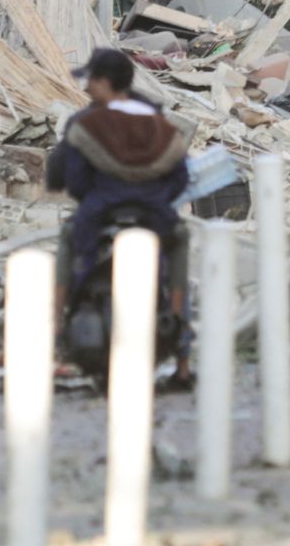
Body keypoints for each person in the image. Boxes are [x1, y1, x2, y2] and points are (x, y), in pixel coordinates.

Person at [46, 48, 195, 386]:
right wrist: (157, 197)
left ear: (104, 82)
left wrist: (92, 196)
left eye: (91, 81)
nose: (86, 89)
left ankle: (55, 327)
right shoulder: (158, 122)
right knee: (180, 244)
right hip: (155, 216)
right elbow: (180, 178)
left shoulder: (86, 123)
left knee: (69, 240)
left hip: (100, 215)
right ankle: (182, 355)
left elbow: (73, 178)